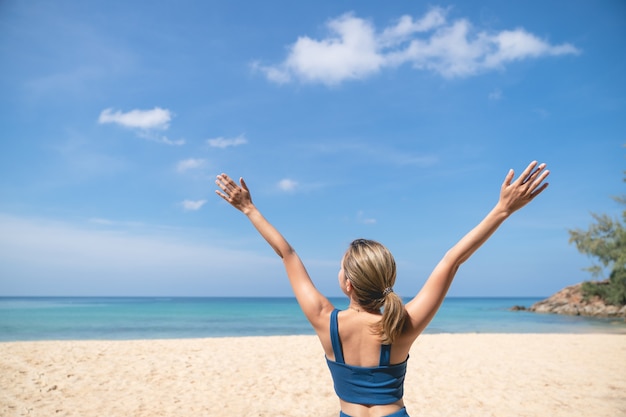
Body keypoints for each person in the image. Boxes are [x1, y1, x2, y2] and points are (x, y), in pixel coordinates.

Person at [215, 161, 550, 417]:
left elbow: (286, 253)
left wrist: (248, 209)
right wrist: (502, 209)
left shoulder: (325, 320)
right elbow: (452, 260)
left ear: (347, 282)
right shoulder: (402, 324)